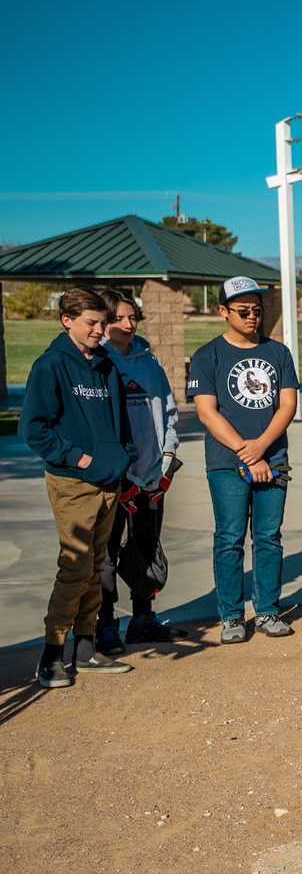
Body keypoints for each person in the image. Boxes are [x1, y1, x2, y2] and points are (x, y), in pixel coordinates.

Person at [22, 288, 137, 686]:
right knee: (74, 567)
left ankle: (86, 650)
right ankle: (51, 655)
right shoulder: (51, 364)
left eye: (103, 323)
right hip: (73, 483)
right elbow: (33, 429)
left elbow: (120, 420)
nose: (101, 330)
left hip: (109, 481)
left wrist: (123, 457)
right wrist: (81, 459)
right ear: (67, 321)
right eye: (92, 323)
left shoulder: (106, 363)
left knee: (96, 567)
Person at [190, 276, 300, 644]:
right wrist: (245, 450)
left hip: (273, 458)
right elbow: (207, 412)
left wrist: (262, 447)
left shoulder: (278, 353)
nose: (252, 316)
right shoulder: (208, 356)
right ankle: (232, 617)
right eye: (243, 310)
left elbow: (287, 405)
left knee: (269, 538)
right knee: (230, 538)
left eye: (257, 310)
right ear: (223, 311)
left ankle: (268, 610)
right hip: (226, 462)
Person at [95, 287, 185, 655]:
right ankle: (105, 625)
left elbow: (168, 411)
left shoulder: (149, 360)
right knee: (106, 556)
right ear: (103, 322)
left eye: (133, 317)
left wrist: (167, 453)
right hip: (114, 479)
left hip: (151, 476)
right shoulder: (96, 362)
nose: (128, 324)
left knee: (146, 549)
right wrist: (117, 471)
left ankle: (142, 619)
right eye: (119, 318)